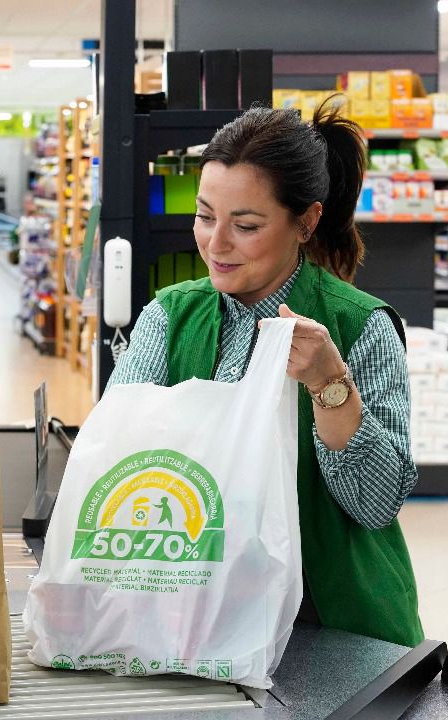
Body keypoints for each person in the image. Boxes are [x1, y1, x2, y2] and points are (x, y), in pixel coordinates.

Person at [108, 101, 423, 647]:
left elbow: (374, 506)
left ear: (306, 221)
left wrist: (330, 386)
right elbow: (120, 458)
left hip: (329, 624)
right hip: (195, 609)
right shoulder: (169, 317)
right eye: (206, 216)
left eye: (246, 225)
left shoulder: (359, 327)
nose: (216, 243)